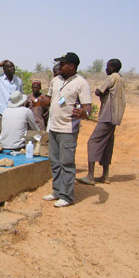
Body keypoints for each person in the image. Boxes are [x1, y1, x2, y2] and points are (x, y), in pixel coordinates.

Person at [37, 52, 92, 208]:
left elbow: (88, 107)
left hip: (68, 129)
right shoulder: (56, 80)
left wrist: (84, 113)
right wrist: (39, 101)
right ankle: (57, 191)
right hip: (53, 127)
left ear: (72, 66)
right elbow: (50, 99)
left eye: (63, 64)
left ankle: (67, 196)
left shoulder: (81, 83)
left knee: (66, 162)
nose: (59, 66)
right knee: (54, 161)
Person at [77, 59, 126, 185]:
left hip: (107, 116)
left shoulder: (112, 77)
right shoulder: (120, 79)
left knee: (93, 142)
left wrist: (101, 96)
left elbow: (98, 91)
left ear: (113, 67)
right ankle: (105, 175)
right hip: (115, 117)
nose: (106, 69)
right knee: (107, 144)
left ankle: (90, 176)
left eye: (108, 67)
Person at [0, 60, 23, 148]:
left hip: (13, 112)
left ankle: (8, 149)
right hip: (1, 110)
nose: (12, 68)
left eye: (13, 66)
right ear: (4, 69)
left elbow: (20, 96)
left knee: (11, 132)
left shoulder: (18, 81)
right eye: (9, 67)